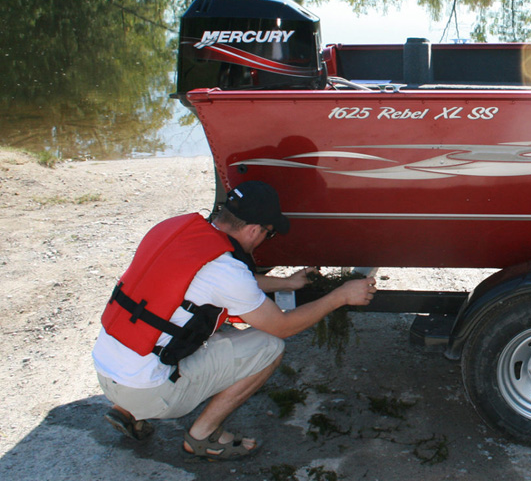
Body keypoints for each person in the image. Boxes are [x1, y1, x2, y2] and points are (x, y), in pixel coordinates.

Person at [92, 180, 377, 460]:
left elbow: (216, 283)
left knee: (174, 322)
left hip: (107, 373)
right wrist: (340, 296)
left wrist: (286, 283)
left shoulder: (175, 229)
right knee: (269, 346)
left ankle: (126, 411)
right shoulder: (226, 271)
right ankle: (203, 436)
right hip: (148, 391)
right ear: (254, 230)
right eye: (269, 234)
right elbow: (283, 326)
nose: (266, 239)